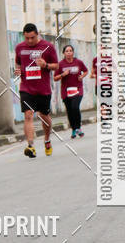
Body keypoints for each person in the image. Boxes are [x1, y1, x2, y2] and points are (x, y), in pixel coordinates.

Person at [14, 23, 58, 158]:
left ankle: (47, 139)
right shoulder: (19, 48)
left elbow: (56, 66)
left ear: (37, 34)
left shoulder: (48, 47)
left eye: (32, 38)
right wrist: (17, 70)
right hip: (26, 88)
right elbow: (18, 63)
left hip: (43, 89)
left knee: (44, 116)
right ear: (24, 36)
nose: (29, 41)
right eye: (27, 38)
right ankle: (31, 146)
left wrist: (45, 65)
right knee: (28, 115)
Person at [54, 44, 87, 138]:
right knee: (69, 110)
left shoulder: (78, 62)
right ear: (64, 53)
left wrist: (82, 76)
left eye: (70, 51)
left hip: (77, 89)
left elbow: (85, 71)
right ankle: (73, 129)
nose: (69, 52)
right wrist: (62, 75)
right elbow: (55, 78)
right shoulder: (60, 64)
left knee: (75, 107)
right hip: (66, 91)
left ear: (73, 52)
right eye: (66, 51)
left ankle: (79, 128)